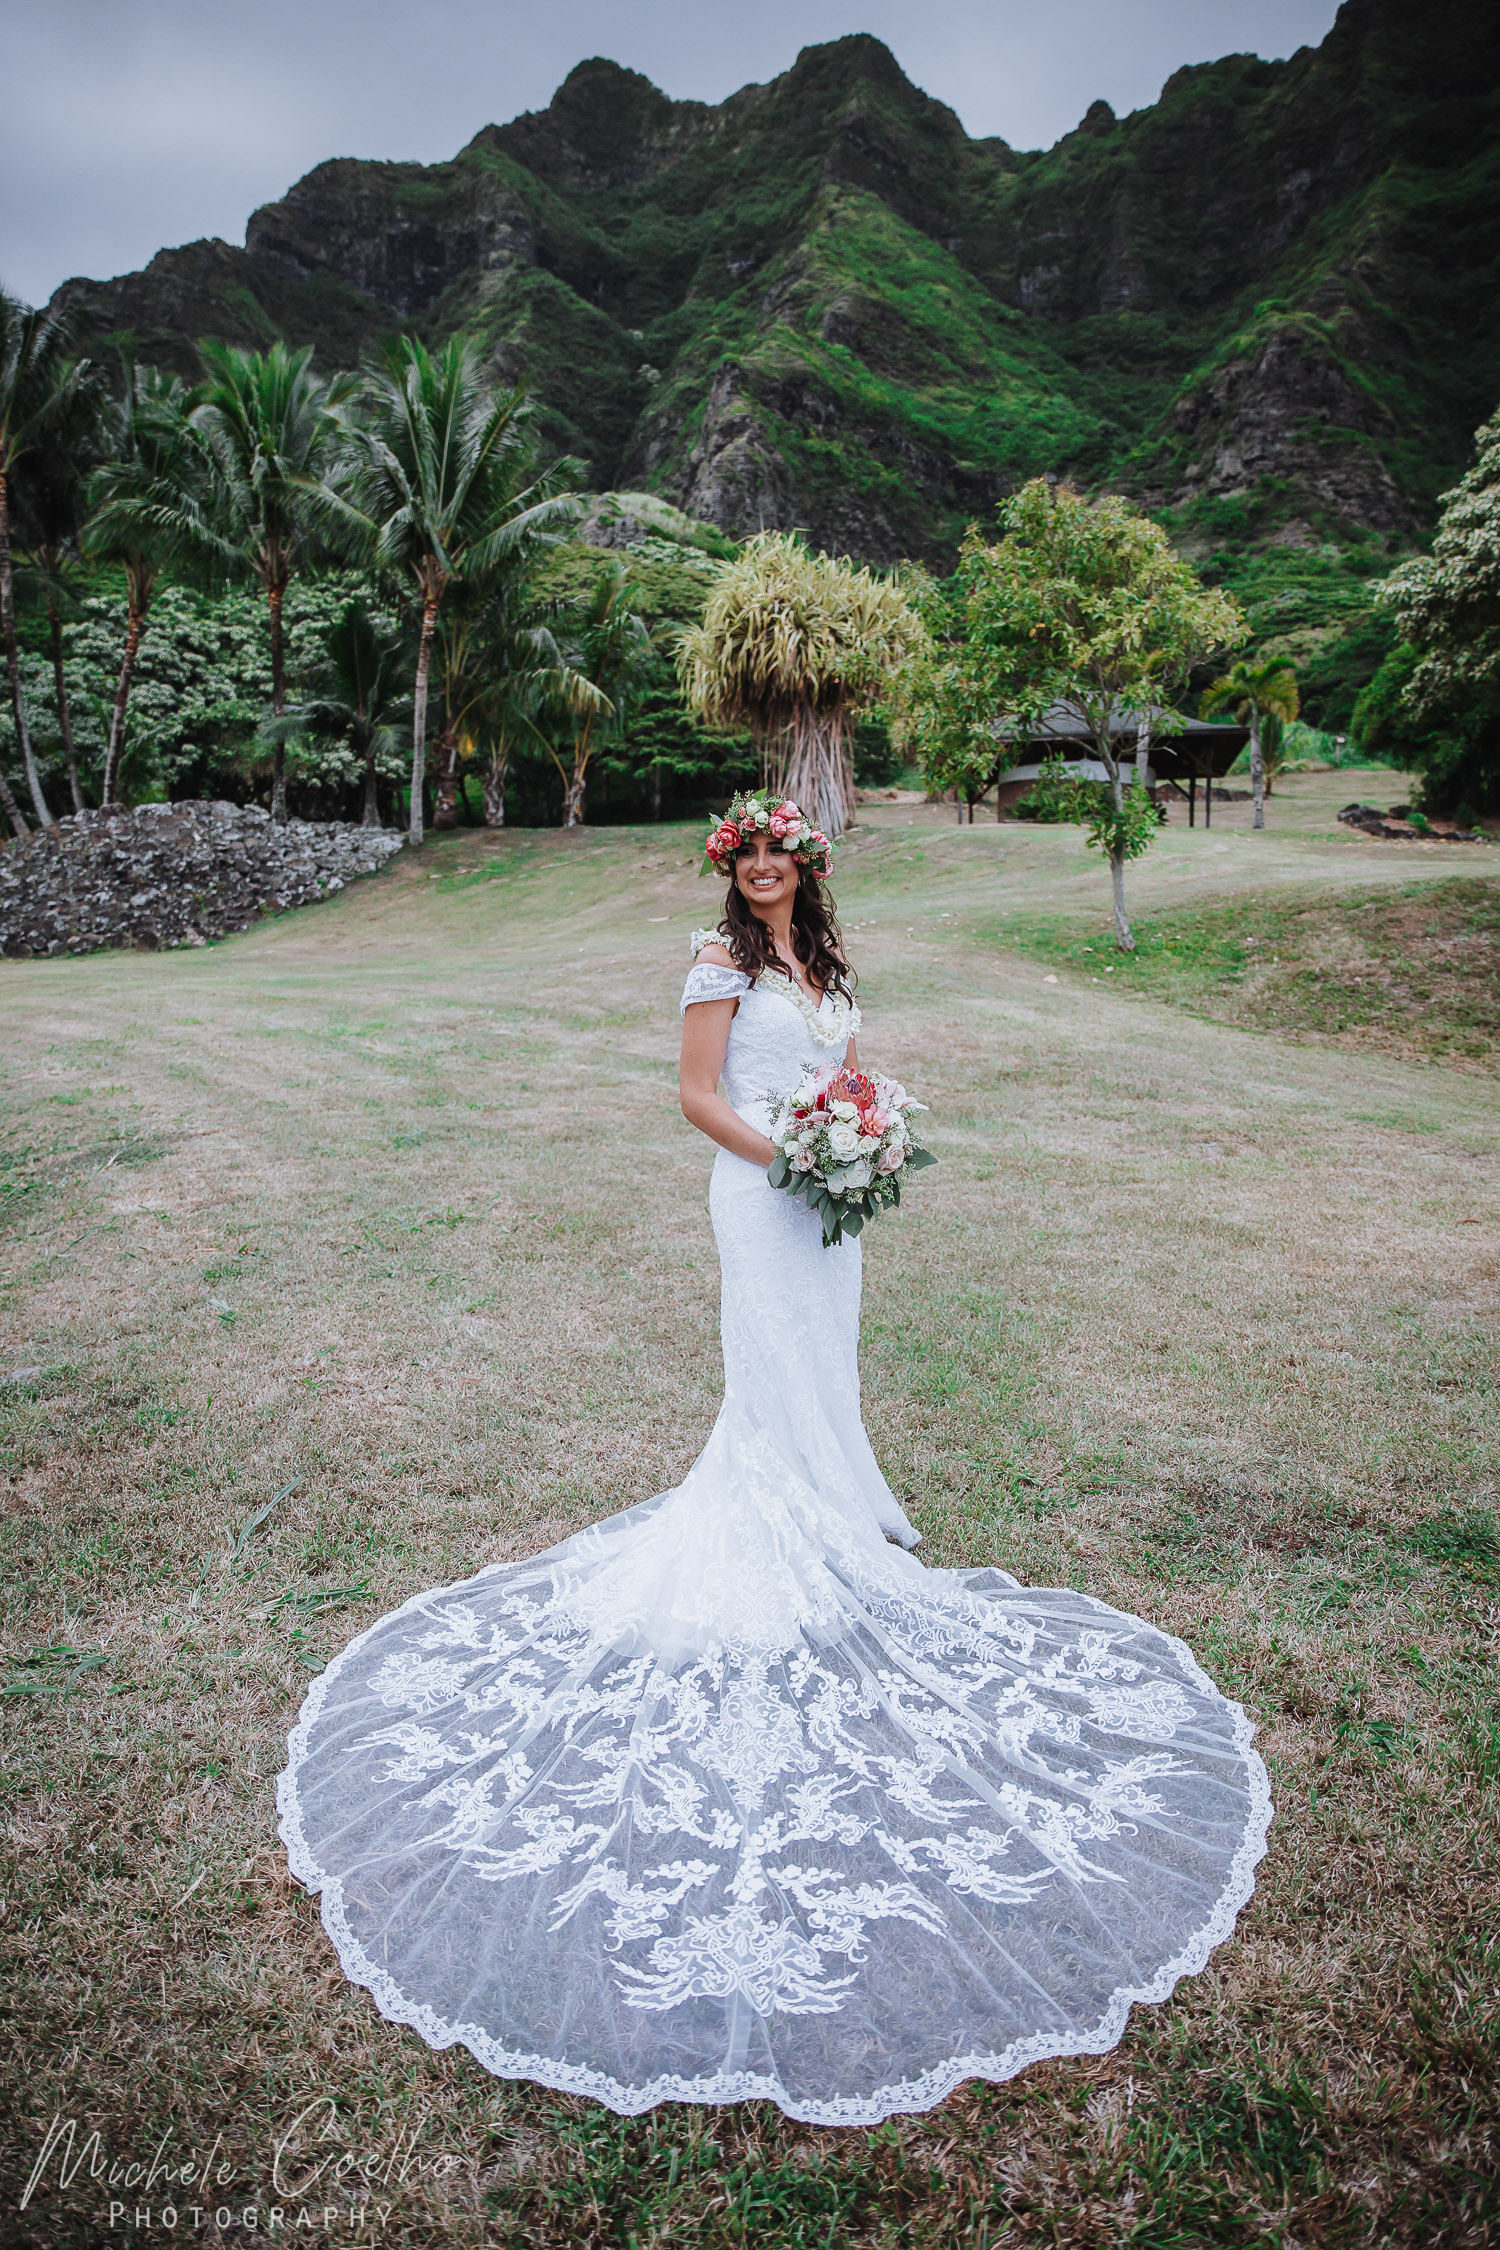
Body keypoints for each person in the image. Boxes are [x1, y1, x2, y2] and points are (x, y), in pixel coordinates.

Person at [277, 789, 1271, 2127]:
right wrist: (795, 1153)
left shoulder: (826, 957)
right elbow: (696, 1096)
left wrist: (858, 1131)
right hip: (761, 1193)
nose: (761, 870)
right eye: (744, 854)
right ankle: (775, 1527)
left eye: (778, 855)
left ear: (805, 864)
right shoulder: (716, 962)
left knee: (823, 1364)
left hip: (827, 1198)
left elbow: (843, 1070)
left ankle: (831, 1514)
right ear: (729, 864)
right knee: (769, 1367)